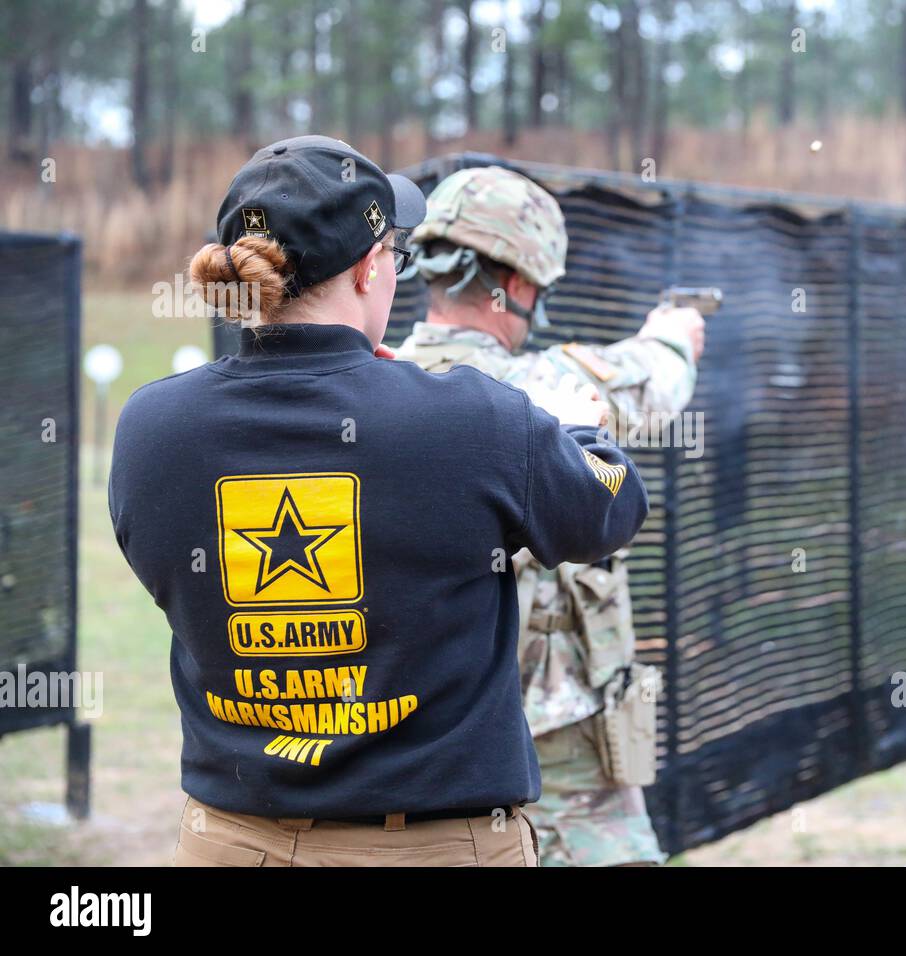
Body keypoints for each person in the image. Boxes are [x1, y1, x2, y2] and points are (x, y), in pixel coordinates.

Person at [107, 136, 649, 867]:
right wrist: (585, 431)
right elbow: (608, 510)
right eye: (395, 252)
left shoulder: (150, 430)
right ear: (370, 269)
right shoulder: (475, 420)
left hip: (230, 843)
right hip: (437, 848)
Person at [395, 165, 705, 866]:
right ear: (525, 284)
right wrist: (675, 334)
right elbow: (655, 378)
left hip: (423, 742)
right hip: (553, 742)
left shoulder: (380, 382)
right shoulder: (549, 389)